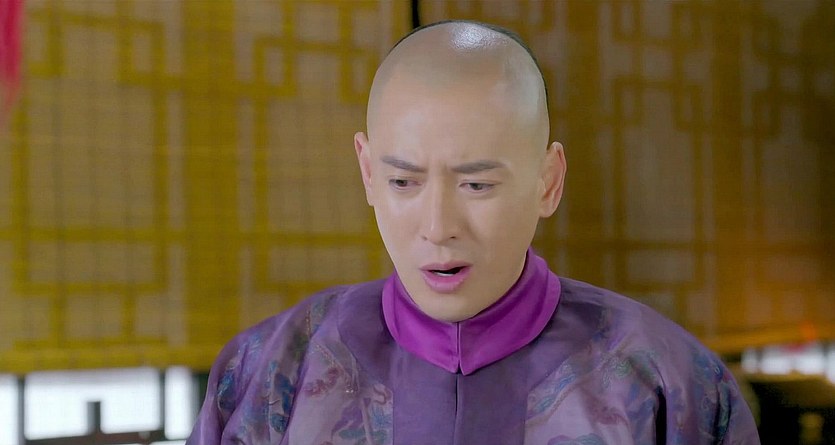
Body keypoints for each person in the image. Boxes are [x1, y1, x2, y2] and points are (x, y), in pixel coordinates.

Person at [187, 20, 760, 444]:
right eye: (403, 181)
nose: (438, 228)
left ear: (548, 181)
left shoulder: (668, 384)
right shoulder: (271, 372)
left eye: (477, 185)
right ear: (367, 172)